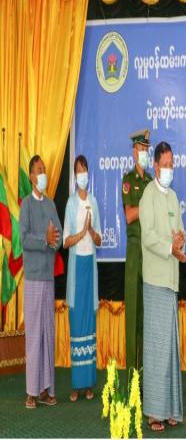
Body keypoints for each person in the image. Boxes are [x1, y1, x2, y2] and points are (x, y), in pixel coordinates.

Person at [139, 141, 186, 432]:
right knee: (156, 348)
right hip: (155, 279)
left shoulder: (174, 197)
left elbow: (180, 230)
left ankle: (170, 408)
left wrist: (180, 239)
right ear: (155, 166)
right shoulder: (148, 195)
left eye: (172, 164)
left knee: (169, 347)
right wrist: (171, 247)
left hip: (171, 279)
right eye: (165, 165)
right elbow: (148, 237)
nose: (169, 169)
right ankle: (154, 413)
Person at [20, 154, 62, 409]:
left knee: (47, 334)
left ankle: (46, 390)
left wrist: (52, 241)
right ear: (31, 177)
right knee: (34, 335)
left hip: (48, 277)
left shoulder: (50, 204)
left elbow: (58, 237)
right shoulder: (26, 205)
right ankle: (31, 392)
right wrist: (44, 239)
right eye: (39, 169)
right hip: (34, 278)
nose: (43, 173)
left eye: (45, 169)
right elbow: (24, 239)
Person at [63, 155, 101, 403]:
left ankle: (88, 384)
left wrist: (92, 232)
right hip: (77, 268)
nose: (82, 174)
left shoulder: (94, 202)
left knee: (89, 324)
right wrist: (81, 232)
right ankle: (76, 385)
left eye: (84, 169)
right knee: (77, 322)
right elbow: (66, 241)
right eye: (78, 170)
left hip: (90, 267)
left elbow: (99, 239)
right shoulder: (70, 203)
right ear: (75, 176)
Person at [122, 129, 152, 375]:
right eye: (141, 149)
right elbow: (129, 215)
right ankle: (132, 378)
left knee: (147, 317)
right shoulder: (128, 180)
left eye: (146, 150)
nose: (144, 153)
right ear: (134, 151)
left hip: (150, 252)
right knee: (132, 315)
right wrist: (146, 204)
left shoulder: (151, 181)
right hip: (134, 252)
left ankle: (145, 376)